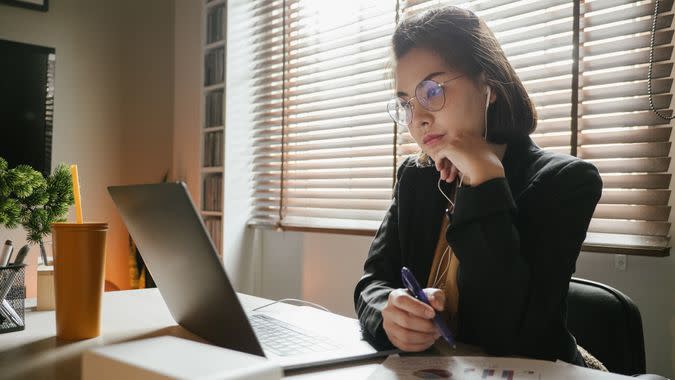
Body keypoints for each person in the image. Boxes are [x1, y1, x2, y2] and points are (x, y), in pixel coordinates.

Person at [353, 6, 604, 368]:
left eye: (431, 90)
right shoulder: (415, 176)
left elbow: (513, 337)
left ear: (489, 87)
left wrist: (484, 177)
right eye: (406, 102)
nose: (418, 118)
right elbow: (372, 283)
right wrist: (389, 313)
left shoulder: (566, 182)